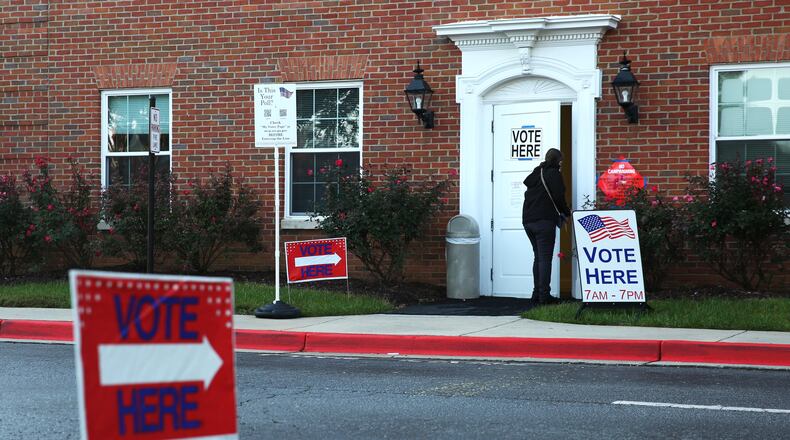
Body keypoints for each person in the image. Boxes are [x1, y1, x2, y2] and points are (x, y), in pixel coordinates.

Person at [522, 148, 571, 305]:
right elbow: (558, 196)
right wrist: (566, 212)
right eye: (561, 162)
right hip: (544, 221)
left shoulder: (536, 173)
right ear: (558, 161)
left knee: (538, 257)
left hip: (528, 220)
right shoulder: (553, 174)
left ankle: (536, 294)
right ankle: (544, 296)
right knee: (545, 259)